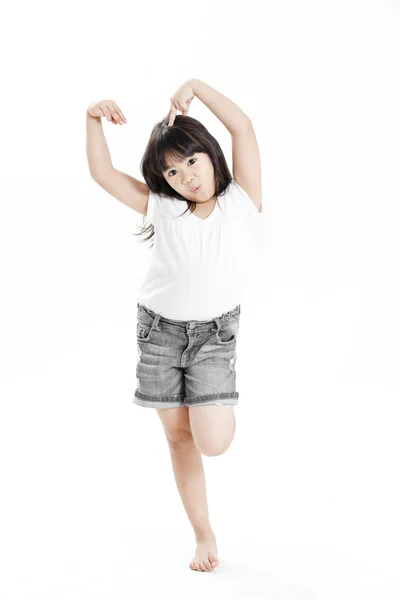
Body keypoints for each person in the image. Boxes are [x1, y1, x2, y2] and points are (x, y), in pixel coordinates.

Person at [86, 78, 265, 572]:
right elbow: (102, 173)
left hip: (213, 338)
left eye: (191, 161)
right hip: (160, 336)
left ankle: (215, 398)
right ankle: (202, 533)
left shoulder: (241, 202)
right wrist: (92, 118)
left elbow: (243, 126)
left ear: (209, 154)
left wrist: (195, 88)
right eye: (171, 170)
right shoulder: (162, 207)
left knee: (214, 441)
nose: (185, 175)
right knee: (179, 437)